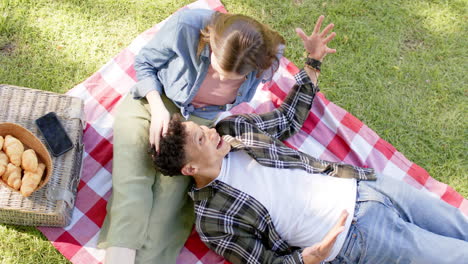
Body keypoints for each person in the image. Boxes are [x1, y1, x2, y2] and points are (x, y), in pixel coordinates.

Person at [152, 16, 468, 264]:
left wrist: (312, 62)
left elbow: (288, 119)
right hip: (351, 236)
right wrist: (313, 256)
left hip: (363, 184)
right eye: (201, 139)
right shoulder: (214, 221)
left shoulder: (232, 130)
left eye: (201, 128)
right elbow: (266, 262)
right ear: (190, 169)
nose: (209, 131)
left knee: (458, 224)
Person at [98, 8, 287, 264]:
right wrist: (157, 107)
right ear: (211, 43)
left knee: (169, 204)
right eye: (217, 69)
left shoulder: (266, 58)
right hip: (154, 103)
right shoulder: (187, 26)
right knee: (133, 184)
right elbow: (144, 63)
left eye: (232, 78)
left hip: (199, 125)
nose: (220, 79)